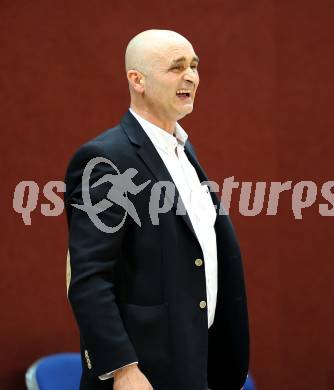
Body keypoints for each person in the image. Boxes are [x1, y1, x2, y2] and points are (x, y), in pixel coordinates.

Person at [64, 29, 249, 390]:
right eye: (176, 67)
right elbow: (88, 277)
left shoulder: (183, 152)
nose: (191, 76)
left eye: (194, 66)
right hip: (144, 373)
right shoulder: (106, 159)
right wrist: (122, 368)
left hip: (198, 362)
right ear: (138, 80)